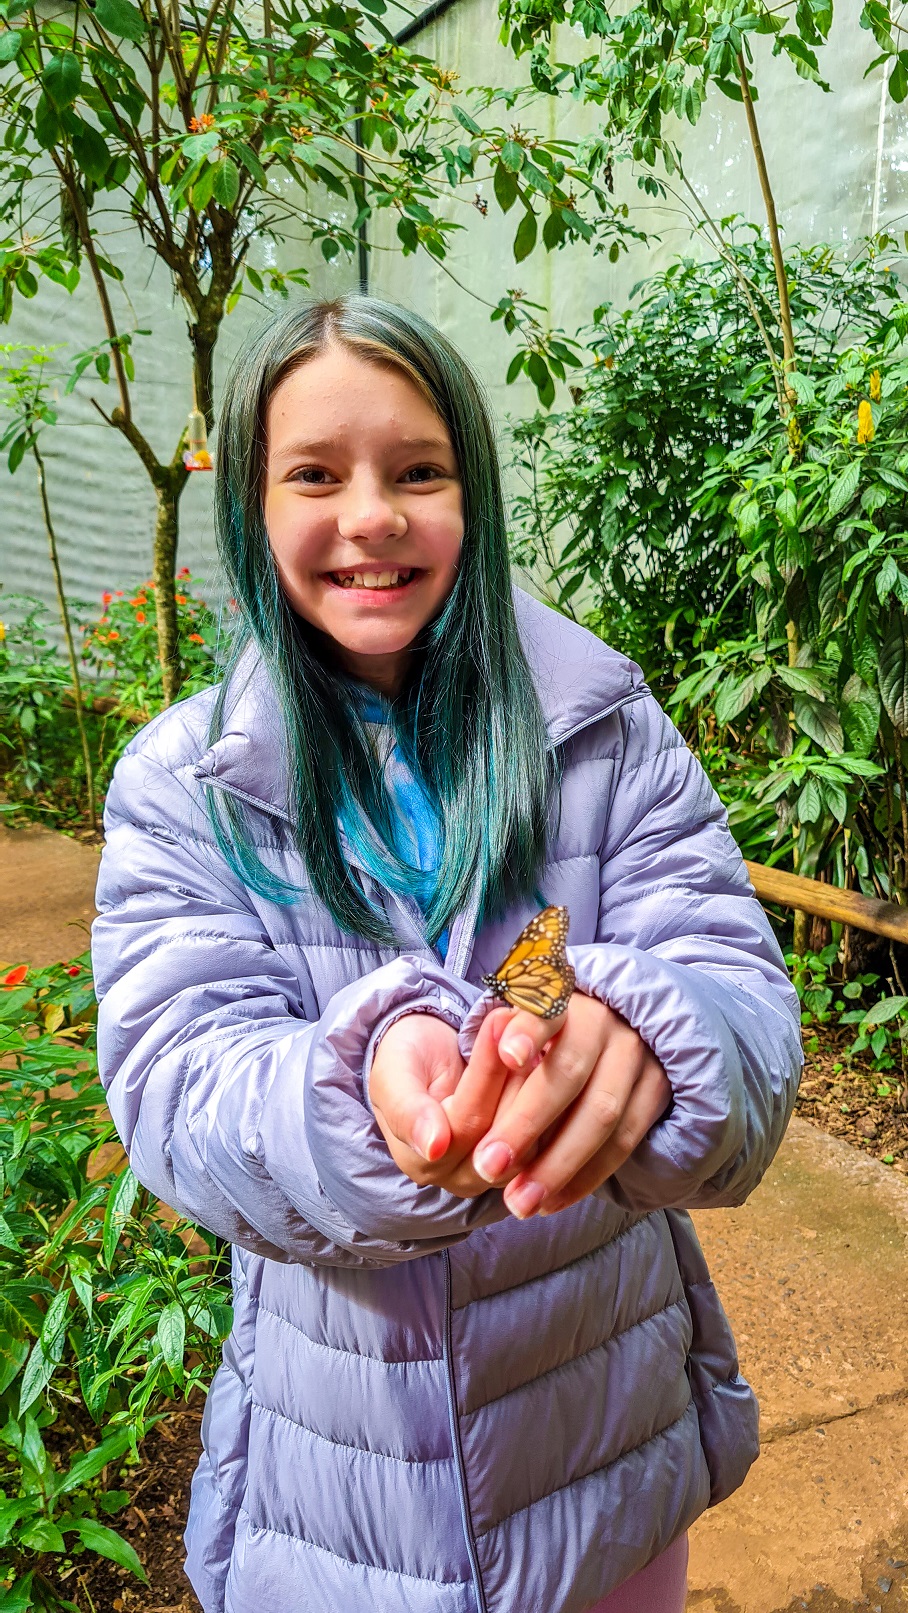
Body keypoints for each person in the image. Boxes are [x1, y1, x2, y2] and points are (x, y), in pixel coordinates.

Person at [91, 296, 802, 1613]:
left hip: (602, 1462)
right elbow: (178, 1082)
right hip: (338, 1503)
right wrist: (362, 1087)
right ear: (251, 504)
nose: (372, 516)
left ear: (472, 491)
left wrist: (652, 1042)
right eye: (316, 473)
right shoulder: (184, 784)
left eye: (419, 469)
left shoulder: (604, 731)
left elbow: (743, 1005)